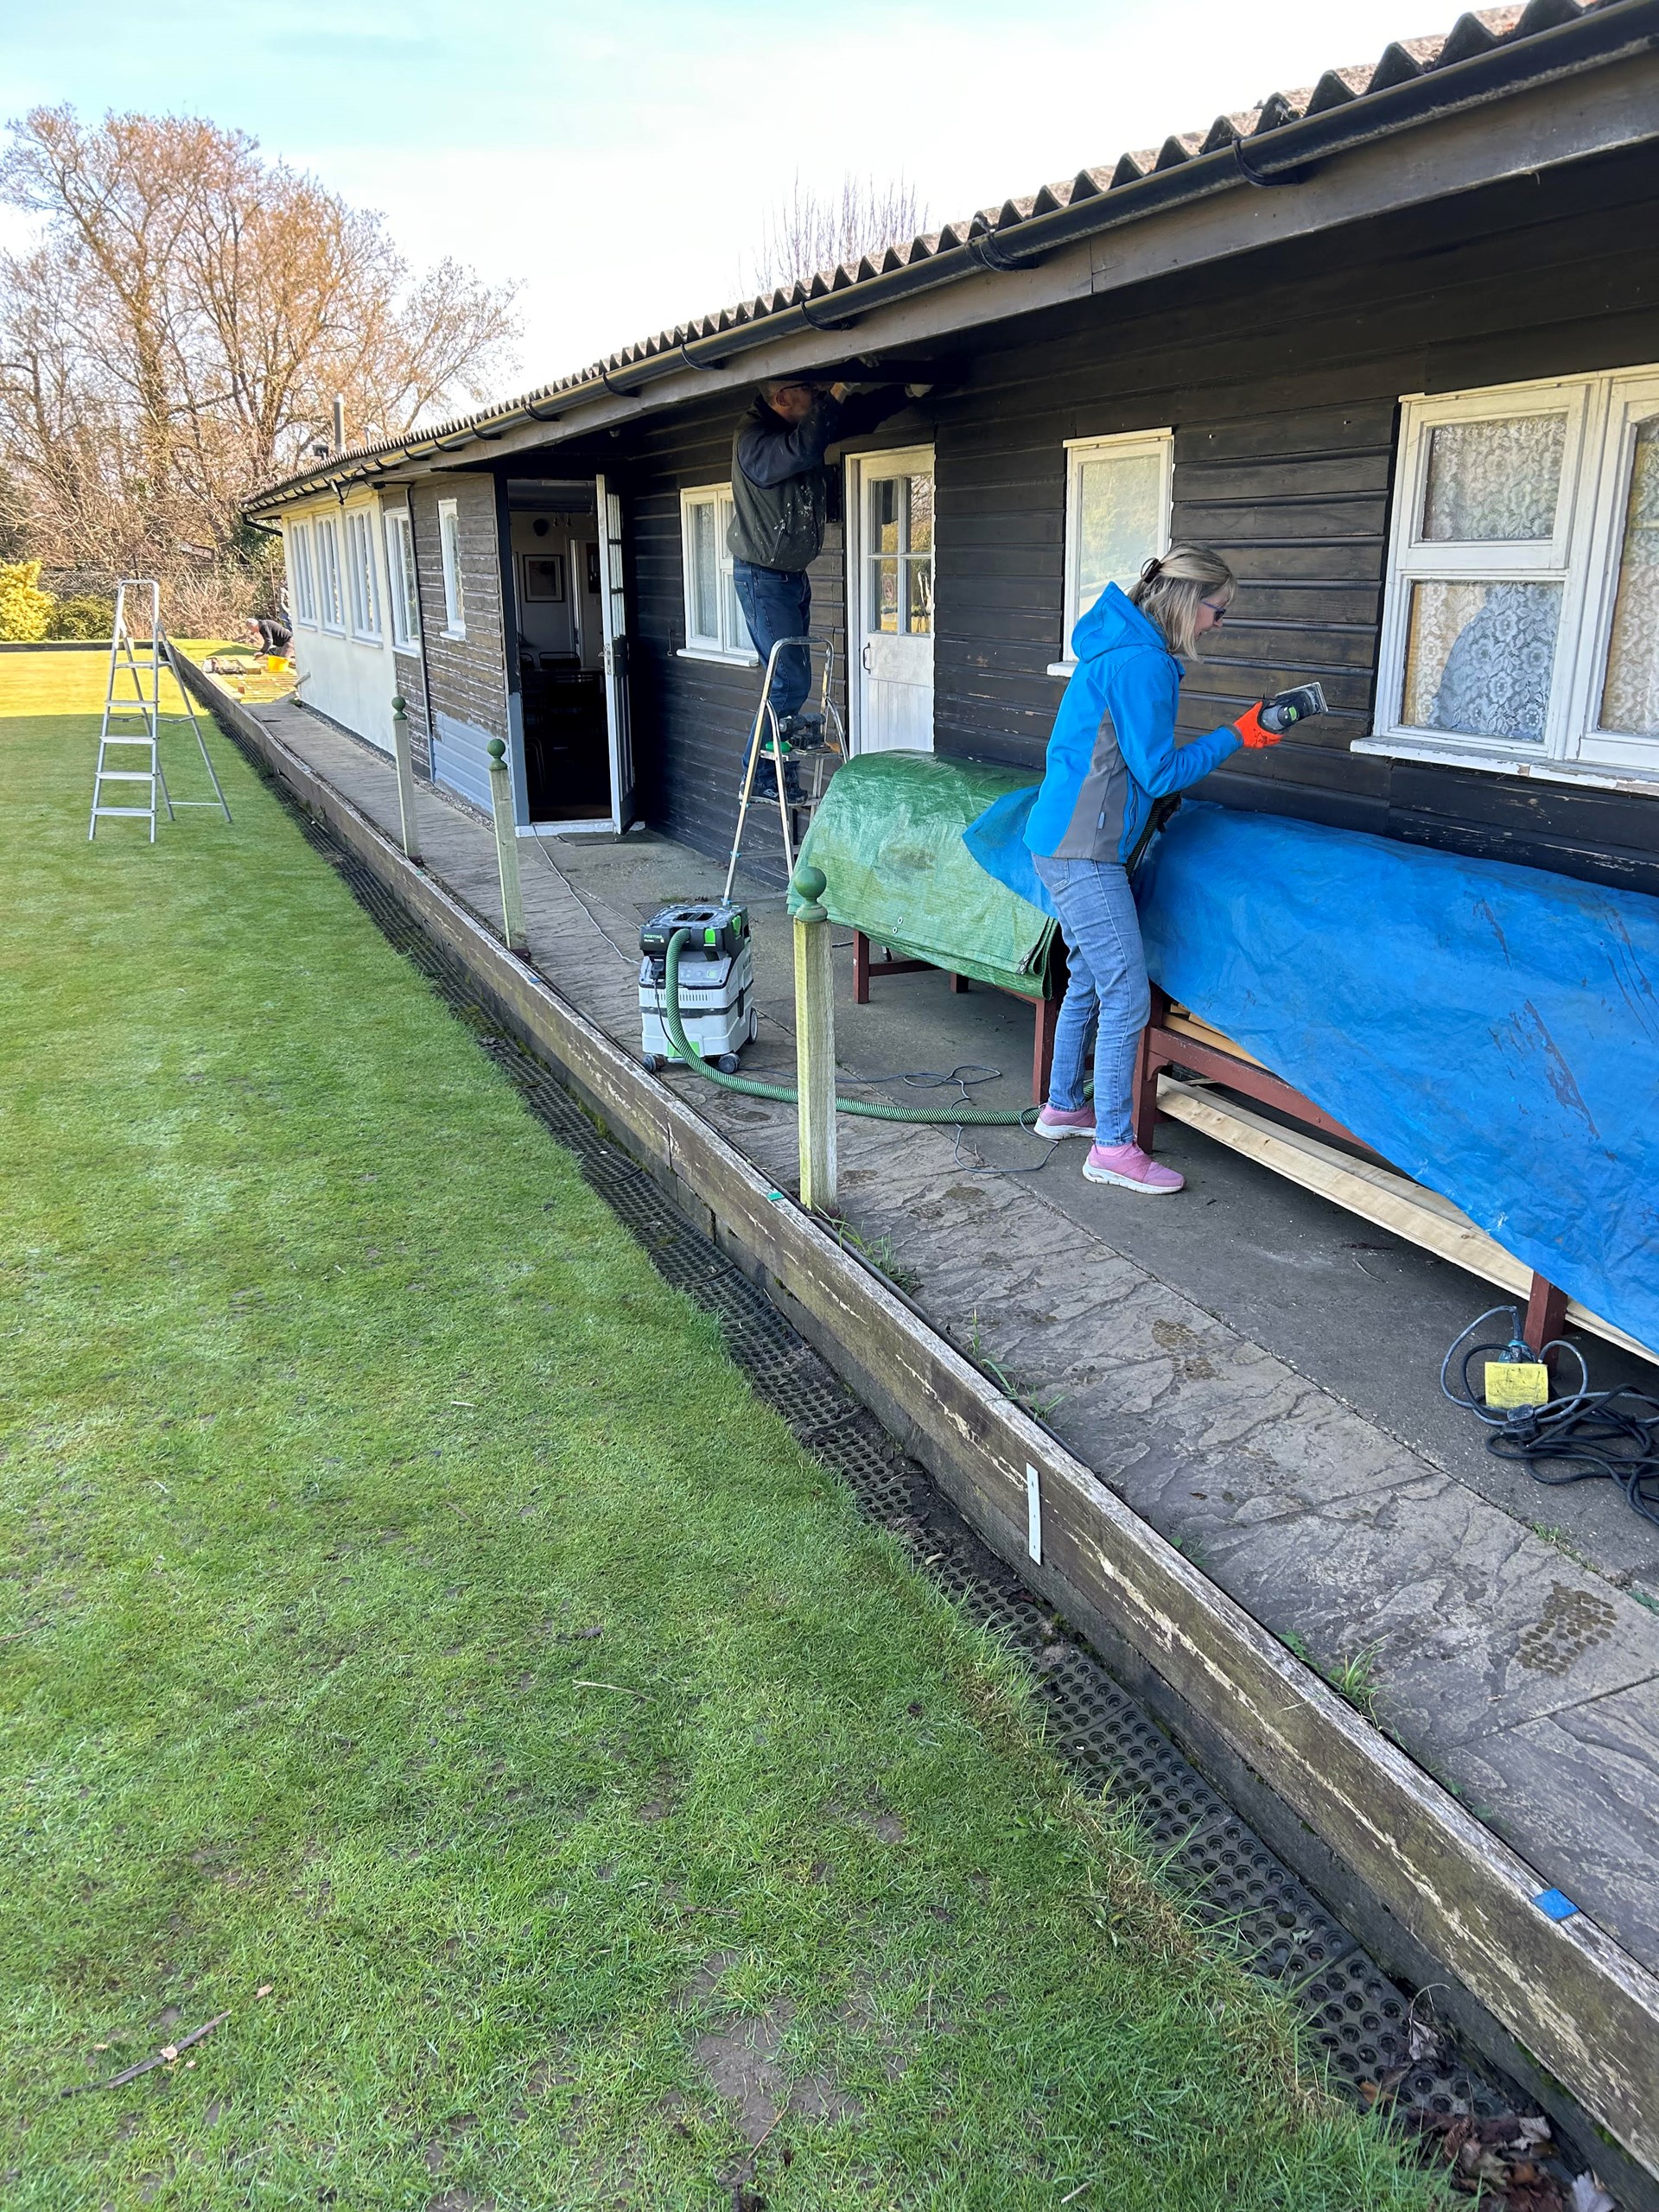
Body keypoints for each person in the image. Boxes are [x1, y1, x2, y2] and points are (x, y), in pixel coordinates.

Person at [1023, 546, 1281, 1195]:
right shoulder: (1144, 664)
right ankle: (1111, 1146)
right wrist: (1239, 734)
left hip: (1064, 838)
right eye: (1217, 611)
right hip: (1083, 850)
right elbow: (1160, 772)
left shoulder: (1118, 648)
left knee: (1089, 972)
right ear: (1187, 603)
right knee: (1127, 994)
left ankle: (1063, 1107)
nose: (1218, 624)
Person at [728, 377, 912, 793]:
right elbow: (808, 446)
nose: (817, 397)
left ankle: (776, 773)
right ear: (781, 398)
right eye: (809, 392)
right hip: (763, 575)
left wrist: (904, 391)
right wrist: (840, 388)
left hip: (788, 575)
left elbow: (844, 421)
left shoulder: (793, 428)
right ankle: (756, 776)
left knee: (792, 681)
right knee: (788, 681)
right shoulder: (755, 441)